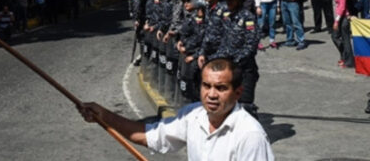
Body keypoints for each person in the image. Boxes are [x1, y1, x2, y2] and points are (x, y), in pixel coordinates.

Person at [78, 58, 274, 160]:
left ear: (238, 92)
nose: (212, 94)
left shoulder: (250, 135)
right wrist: (102, 115)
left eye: (221, 88)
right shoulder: (193, 115)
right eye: (207, 86)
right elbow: (147, 136)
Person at [332, 0, 357, 69]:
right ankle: (345, 56)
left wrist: (336, 21)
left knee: (343, 38)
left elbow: (342, 8)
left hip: (344, 17)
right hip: (341, 16)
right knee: (338, 37)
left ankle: (349, 60)